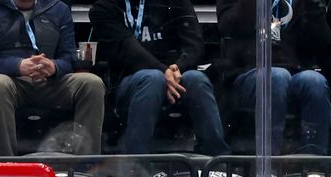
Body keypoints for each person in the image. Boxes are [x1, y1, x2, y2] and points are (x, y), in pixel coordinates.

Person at [89, 0, 231, 156]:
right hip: (128, 81)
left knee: (197, 79)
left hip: (176, 75)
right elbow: (128, 50)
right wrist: (164, 72)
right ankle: (137, 164)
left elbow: (195, 46)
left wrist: (176, 68)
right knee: (152, 79)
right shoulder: (104, 7)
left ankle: (219, 162)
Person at [0, 0, 105, 156]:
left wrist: (54, 67)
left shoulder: (59, 8)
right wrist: (18, 66)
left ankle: (85, 166)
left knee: (92, 83)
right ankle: (6, 163)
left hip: (51, 80)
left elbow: (69, 58)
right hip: (10, 81)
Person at [217, 0, 331, 154]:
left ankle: (313, 166)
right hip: (247, 74)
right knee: (277, 76)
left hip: (294, 72)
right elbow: (228, 26)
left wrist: (312, 6)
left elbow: (320, 41)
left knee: (314, 81)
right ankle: (270, 162)